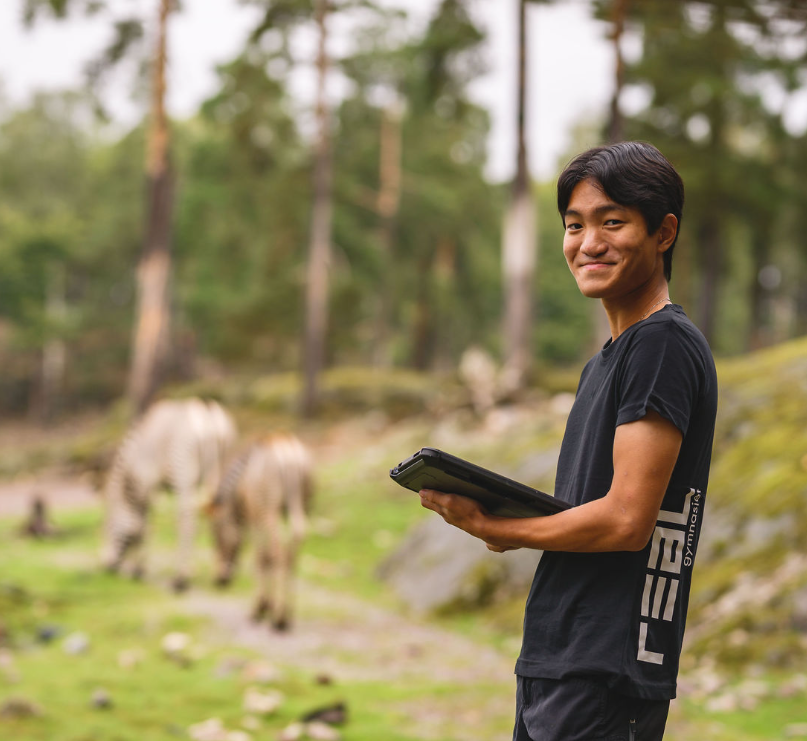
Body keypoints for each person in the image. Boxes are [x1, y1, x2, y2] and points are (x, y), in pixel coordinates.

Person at [419, 141, 718, 741]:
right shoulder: (607, 362)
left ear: (664, 233)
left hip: (606, 670)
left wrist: (497, 530)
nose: (588, 243)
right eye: (574, 225)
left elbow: (626, 521)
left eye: (613, 222)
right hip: (561, 660)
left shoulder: (662, 346)